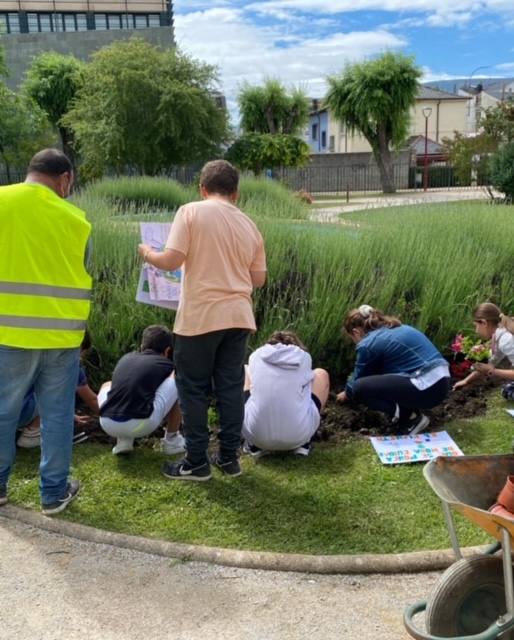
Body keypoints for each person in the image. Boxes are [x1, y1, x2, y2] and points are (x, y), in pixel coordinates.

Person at [138, 160, 266, 481]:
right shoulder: (249, 225)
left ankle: (195, 462)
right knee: (230, 387)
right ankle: (228, 458)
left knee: (192, 388)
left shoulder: (190, 211)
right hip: (238, 316)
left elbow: (171, 259)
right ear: (236, 193)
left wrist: (147, 253)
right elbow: (258, 278)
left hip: (200, 316)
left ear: (202, 188)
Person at [0, 148, 92, 515]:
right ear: (64, 179)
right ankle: (53, 493)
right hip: (61, 337)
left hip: (9, 332)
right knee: (56, 416)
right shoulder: (78, 220)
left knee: (3, 413)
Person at [336, 305, 450, 434]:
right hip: (442, 382)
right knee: (380, 377)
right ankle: (409, 410)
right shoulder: (402, 328)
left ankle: (411, 418)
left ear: (356, 332)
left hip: (427, 388)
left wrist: (346, 393)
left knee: (360, 387)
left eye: (352, 338)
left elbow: (359, 378)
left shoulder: (368, 343)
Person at [98, 325, 185, 456]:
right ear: (168, 351)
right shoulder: (165, 363)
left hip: (107, 423)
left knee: (108, 384)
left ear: (141, 346)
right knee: (178, 376)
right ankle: (171, 441)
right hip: (142, 423)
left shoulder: (126, 358)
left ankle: (123, 441)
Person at [242, 331, 329, 457]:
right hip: (298, 436)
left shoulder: (256, 356)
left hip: (256, 436)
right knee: (320, 374)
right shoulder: (303, 357)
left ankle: (253, 445)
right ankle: (304, 443)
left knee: (245, 371)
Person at [17, 329, 99, 448]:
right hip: (22, 413)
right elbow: (91, 399)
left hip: (9, 412)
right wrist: (112, 417)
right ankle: (32, 434)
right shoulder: (69, 365)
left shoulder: (34, 356)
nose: (80, 358)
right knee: (59, 392)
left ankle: (18, 429)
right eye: (81, 353)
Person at [453, 303, 514, 395]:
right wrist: (466, 381)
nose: (476, 330)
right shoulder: (500, 335)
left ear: (484, 323)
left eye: (476, 326)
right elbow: (491, 362)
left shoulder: (506, 339)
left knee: (507, 391)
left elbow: (490, 368)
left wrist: (493, 371)